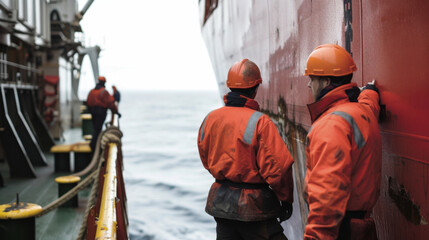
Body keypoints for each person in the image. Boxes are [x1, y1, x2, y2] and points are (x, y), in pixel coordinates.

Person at [197, 59, 294, 240]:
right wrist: (286, 199)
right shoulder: (260, 122)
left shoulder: (210, 118)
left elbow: (205, 157)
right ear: (255, 89)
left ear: (230, 87)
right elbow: (279, 169)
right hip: (254, 208)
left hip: (221, 205)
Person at [303, 44, 381, 240]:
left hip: (339, 230)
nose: (308, 85)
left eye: (312, 79)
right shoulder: (361, 113)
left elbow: (327, 196)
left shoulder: (331, 125)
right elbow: (369, 106)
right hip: (360, 226)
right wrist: (370, 92)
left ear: (326, 81)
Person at [87, 76, 118, 150]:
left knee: (95, 128)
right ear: (104, 83)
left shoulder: (92, 91)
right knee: (98, 129)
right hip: (100, 112)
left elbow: (88, 102)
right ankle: (93, 146)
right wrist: (116, 112)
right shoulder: (104, 92)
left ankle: (94, 144)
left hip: (92, 112)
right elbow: (111, 103)